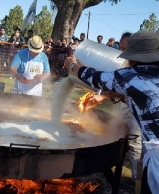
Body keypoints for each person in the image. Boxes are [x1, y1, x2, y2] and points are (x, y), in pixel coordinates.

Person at [65, 30, 159, 194]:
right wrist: (121, 98)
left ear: (136, 57)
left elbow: (95, 78)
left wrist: (73, 65)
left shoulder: (132, 76)